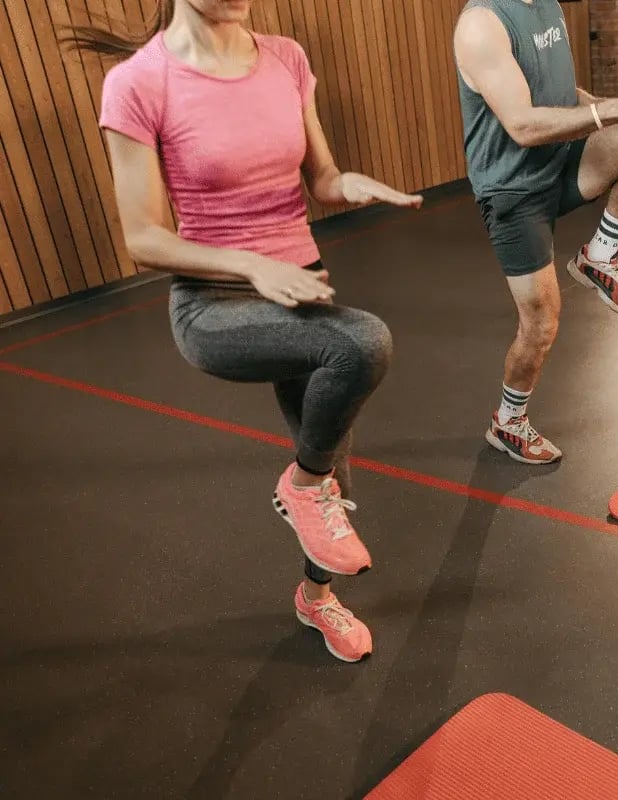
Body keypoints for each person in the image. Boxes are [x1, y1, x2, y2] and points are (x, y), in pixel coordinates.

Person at [61, 0, 423, 663]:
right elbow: (143, 237)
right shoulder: (141, 82)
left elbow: (321, 178)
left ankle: (317, 597)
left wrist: (352, 184)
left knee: (334, 472)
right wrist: (250, 265)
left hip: (302, 290)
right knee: (363, 345)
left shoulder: (286, 57)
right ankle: (302, 486)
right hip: (215, 305)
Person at [453, 0, 618, 464]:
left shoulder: (547, 6)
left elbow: (562, 95)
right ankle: (508, 423)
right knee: (541, 325)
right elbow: (522, 124)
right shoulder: (481, 24)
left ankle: (599, 256)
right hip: (513, 191)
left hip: (560, 161)